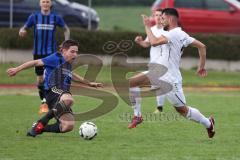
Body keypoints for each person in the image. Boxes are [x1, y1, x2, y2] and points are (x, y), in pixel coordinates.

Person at [128, 8, 215, 138]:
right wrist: (201, 67)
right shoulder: (182, 34)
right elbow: (202, 46)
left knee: (183, 111)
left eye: (162, 18)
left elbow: (154, 42)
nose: (160, 21)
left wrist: (147, 26)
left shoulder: (173, 34)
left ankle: (208, 123)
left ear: (170, 19)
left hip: (170, 79)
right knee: (131, 83)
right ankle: (137, 116)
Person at [7, 40, 102, 137]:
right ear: (64, 51)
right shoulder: (55, 58)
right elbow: (35, 62)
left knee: (67, 126)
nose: (75, 54)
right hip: (53, 90)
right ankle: (42, 121)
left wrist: (89, 83)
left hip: (61, 96)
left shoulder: (68, 63)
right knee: (69, 99)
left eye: (77, 52)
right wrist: (17, 69)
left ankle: (38, 128)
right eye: (72, 51)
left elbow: (71, 75)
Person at [19, 0, 70, 115]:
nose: (45, 4)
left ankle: (51, 102)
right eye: (43, 1)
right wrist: (22, 30)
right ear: (40, 3)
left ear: (50, 4)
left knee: (52, 77)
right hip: (38, 52)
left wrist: (66, 42)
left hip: (51, 53)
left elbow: (66, 29)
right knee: (40, 79)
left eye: (48, 1)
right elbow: (24, 27)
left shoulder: (56, 17)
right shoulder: (34, 17)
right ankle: (44, 102)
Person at [134, 9, 166, 113]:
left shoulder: (167, 31)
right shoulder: (151, 29)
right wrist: (140, 42)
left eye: (160, 15)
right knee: (158, 85)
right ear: (153, 17)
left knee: (156, 84)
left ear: (163, 17)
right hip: (153, 63)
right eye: (156, 15)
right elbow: (147, 44)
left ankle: (159, 107)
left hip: (164, 64)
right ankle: (160, 107)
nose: (158, 17)